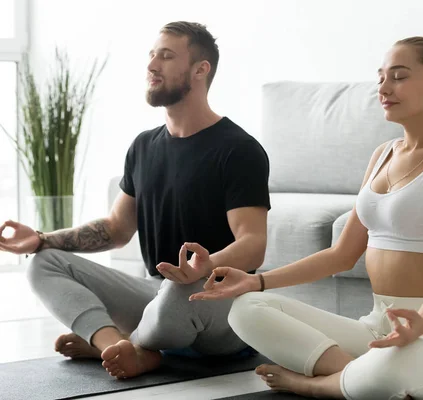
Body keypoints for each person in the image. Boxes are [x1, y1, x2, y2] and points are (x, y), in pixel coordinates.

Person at [192, 36, 423, 400]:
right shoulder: (383, 154)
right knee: (245, 309)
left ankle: (317, 384)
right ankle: (355, 377)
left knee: (387, 371)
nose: (383, 87)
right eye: (380, 77)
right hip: (378, 326)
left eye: (398, 76)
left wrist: (421, 323)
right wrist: (256, 282)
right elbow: (341, 255)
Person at [0, 21, 271, 379]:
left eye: (167, 56)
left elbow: (253, 244)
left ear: (200, 70)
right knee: (42, 262)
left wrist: (202, 268)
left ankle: (136, 346)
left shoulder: (239, 149)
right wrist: (42, 239)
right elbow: (116, 229)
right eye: (151, 55)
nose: (152, 65)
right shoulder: (144, 146)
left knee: (178, 290)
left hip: (220, 303)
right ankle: (115, 346)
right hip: (157, 297)